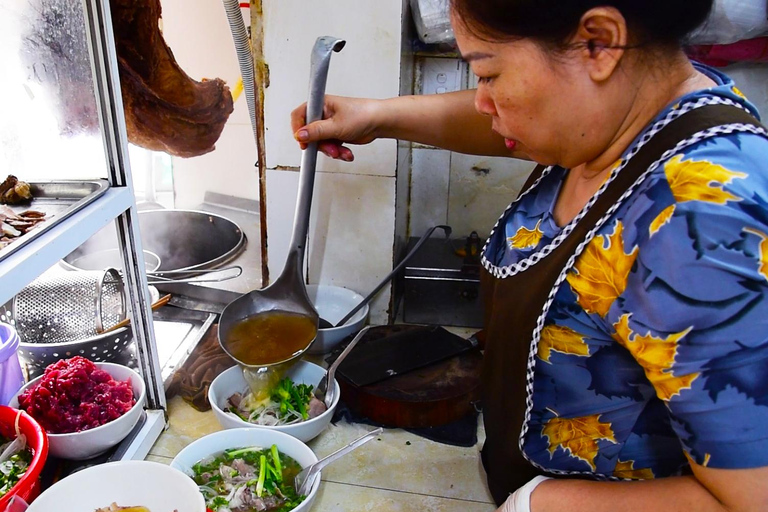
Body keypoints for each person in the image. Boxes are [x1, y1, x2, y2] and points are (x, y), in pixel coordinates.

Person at [291, 1, 768, 511]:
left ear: (598, 43)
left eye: (489, 74)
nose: (482, 103)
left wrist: (542, 503)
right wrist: (381, 116)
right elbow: (513, 129)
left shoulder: (700, 218)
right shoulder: (628, 114)